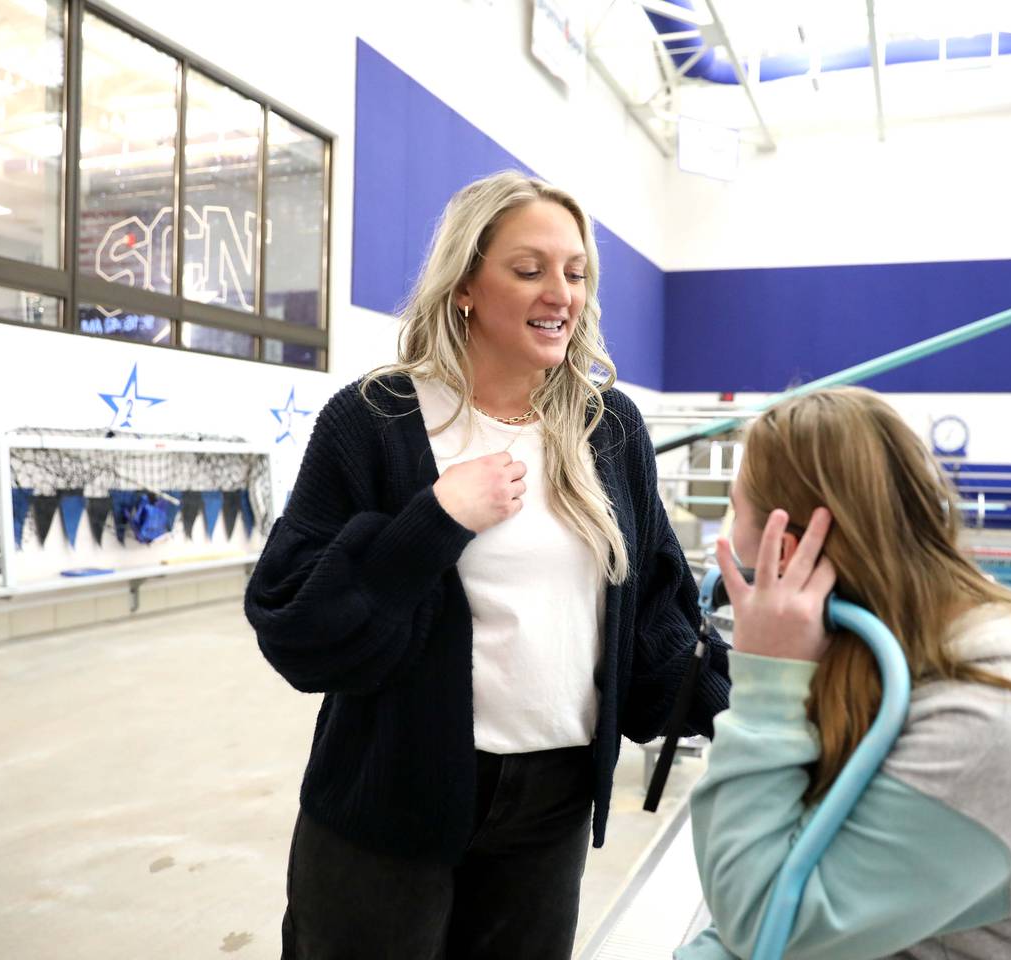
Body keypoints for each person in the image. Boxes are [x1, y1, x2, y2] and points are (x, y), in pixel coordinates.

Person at [244, 170, 731, 959]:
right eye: (530, 269)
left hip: (553, 807)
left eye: (576, 273)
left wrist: (744, 716)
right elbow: (294, 625)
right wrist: (431, 523)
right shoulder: (377, 420)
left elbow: (655, 619)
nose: (562, 293)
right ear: (466, 284)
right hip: (392, 796)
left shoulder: (609, 429)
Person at [680, 386, 1011, 960]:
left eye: (734, 512)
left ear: (784, 553)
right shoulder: (872, 660)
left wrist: (765, 686)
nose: (724, 537)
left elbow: (760, 924)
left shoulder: (989, 723)